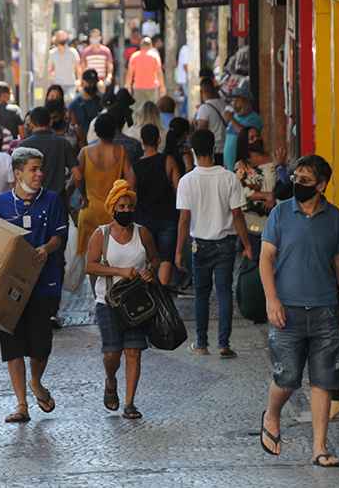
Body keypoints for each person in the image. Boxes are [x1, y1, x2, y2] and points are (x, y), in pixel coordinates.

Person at [258, 154, 339, 468]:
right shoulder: (280, 214)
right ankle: (272, 415)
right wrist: (271, 299)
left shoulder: (335, 218)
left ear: (322, 185)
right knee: (287, 378)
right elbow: (266, 259)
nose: (297, 184)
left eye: (305, 180)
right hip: (287, 311)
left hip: (326, 310)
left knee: (323, 380)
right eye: (295, 178)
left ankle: (319, 447)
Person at [0, 147, 68, 423]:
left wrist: (46, 248)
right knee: (12, 344)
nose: (39, 174)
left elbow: (60, 236)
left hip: (44, 283)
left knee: (40, 346)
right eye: (33, 169)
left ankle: (36, 381)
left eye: (40, 169)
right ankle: (21, 404)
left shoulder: (52, 200)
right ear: (18, 172)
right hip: (8, 287)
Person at [86, 180, 160, 420]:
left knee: (133, 351)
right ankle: (110, 379)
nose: (126, 210)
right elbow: (90, 266)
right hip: (108, 302)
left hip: (137, 302)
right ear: (113, 208)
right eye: (122, 206)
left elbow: (155, 259)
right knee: (112, 353)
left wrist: (150, 271)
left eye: (129, 206)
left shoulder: (143, 233)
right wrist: (119, 271)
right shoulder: (101, 234)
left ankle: (130, 403)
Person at [175, 129, 253, 358]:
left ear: (193, 151)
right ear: (214, 149)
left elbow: (184, 220)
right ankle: (224, 344)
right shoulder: (229, 177)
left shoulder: (186, 181)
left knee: (201, 294)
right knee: (224, 292)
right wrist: (247, 244)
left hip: (199, 245)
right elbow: (237, 215)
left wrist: (178, 251)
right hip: (226, 245)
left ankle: (201, 343)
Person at [75, 113, 137, 257]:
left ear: (96, 131)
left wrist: (83, 195)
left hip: (89, 210)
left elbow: (77, 177)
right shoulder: (121, 152)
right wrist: (126, 202)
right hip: (112, 213)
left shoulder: (85, 152)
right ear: (114, 130)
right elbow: (132, 179)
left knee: (90, 261)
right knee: (111, 257)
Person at [133, 125, 180, 286]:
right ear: (159, 140)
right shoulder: (168, 160)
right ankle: (163, 294)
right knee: (166, 258)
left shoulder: (135, 166)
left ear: (142, 141)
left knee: (149, 259)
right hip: (167, 216)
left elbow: (132, 194)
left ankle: (150, 294)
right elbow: (178, 189)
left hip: (144, 219)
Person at [234, 127, 277, 264]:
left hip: (273, 219)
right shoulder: (241, 165)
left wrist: (280, 166)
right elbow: (241, 191)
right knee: (256, 262)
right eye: (251, 138)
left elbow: (278, 185)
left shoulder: (272, 158)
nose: (256, 139)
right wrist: (265, 195)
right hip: (252, 223)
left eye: (257, 136)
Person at [19, 106, 79, 202]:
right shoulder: (62, 143)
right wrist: (77, 195)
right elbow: (77, 175)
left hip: (33, 201)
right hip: (58, 200)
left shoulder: (23, 146)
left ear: (31, 123)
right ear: (50, 122)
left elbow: (18, 178)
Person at [223, 80, 264, 172]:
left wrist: (231, 119)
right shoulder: (235, 117)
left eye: (238, 100)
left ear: (246, 101)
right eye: (234, 100)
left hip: (244, 168)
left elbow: (245, 134)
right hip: (230, 167)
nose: (235, 103)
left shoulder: (254, 119)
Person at [125, 37, 166, 108]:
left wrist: (128, 85)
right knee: (152, 109)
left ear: (141, 45)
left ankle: (139, 119)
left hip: (138, 87)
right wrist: (162, 86)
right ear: (151, 46)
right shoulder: (155, 56)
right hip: (152, 87)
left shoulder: (134, 56)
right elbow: (159, 72)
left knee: (138, 109)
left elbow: (130, 72)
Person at [195, 80, 228, 165]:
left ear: (202, 92)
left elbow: (201, 131)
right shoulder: (224, 104)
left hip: (213, 150)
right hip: (226, 148)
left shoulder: (204, 108)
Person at [68, 69, 104, 147]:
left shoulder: (101, 101)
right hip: (82, 144)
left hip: (99, 142)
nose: (92, 85)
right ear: (83, 82)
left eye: (94, 83)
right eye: (89, 82)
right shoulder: (75, 104)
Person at [48, 30, 82, 101]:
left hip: (71, 84)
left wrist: (79, 80)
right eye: (59, 37)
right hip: (57, 85)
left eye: (63, 37)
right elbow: (49, 69)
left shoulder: (73, 52)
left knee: (70, 100)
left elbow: (78, 68)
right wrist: (50, 79)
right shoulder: (52, 53)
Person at [175, 44, 190, 117]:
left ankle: (183, 115)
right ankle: (184, 116)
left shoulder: (186, 49)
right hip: (185, 79)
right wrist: (191, 78)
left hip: (184, 79)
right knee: (188, 98)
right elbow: (186, 66)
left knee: (186, 99)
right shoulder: (186, 49)